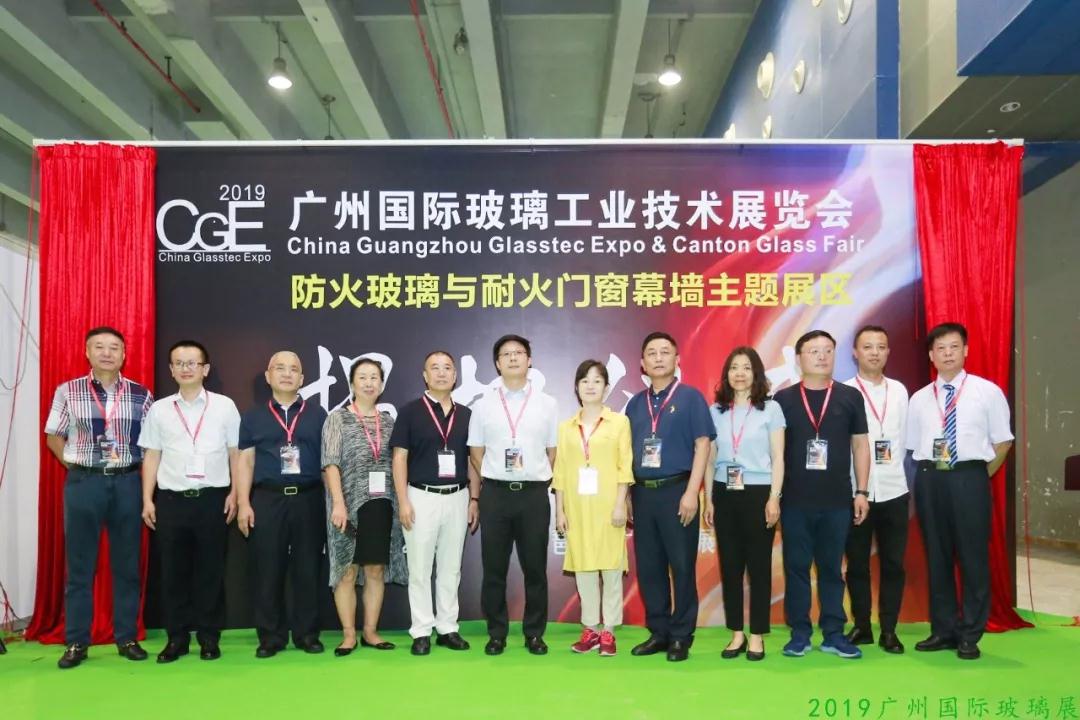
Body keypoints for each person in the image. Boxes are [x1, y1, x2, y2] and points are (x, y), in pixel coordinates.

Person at [45, 326, 154, 669]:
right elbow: (54, 436)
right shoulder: (68, 391)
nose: (107, 353)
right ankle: (77, 641)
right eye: (100, 347)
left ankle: (126, 637)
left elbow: (152, 443)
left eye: (114, 348)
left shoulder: (140, 395)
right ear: (87, 352)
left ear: (124, 354)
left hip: (127, 482)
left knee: (127, 565)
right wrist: (78, 466)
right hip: (84, 483)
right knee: (80, 567)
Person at [907, 322, 1013, 661]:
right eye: (940, 348)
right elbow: (914, 446)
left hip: (970, 477)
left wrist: (978, 476)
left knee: (972, 558)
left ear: (965, 350)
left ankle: (970, 633)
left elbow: (1003, 442)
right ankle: (943, 630)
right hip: (930, 479)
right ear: (931, 355)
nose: (947, 353)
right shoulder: (920, 398)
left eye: (954, 347)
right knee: (937, 557)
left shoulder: (987, 392)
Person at [139, 340, 240, 663]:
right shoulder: (159, 409)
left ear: (205, 369)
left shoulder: (224, 406)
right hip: (171, 501)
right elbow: (152, 455)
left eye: (192, 363)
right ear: (171, 370)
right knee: (173, 573)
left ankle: (209, 638)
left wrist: (236, 493)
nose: (186, 368)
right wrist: (147, 499)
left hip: (213, 499)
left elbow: (236, 453)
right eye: (179, 363)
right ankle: (176, 639)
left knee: (211, 572)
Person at [773, 330, 870, 659]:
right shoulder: (782, 400)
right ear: (799, 358)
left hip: (837, 501)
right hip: (795, 501)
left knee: (831, 569)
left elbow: (860, 445)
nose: (822, 356)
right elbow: (774, 453)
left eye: (828, 350)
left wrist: (862, 491)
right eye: (814, 351)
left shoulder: (850, 396)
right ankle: (799, 634)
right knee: (797, 569)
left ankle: (833, 634)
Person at [467, 334, 559, 656]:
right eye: (506, 354)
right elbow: (475, 452)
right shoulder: (483, 405)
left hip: (533, 496)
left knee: (535, 569)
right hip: (496, 495)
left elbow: (552, 451)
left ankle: (534, 634)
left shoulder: (547, 404)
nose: (513, 358)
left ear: (529, 360)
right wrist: (496, 474)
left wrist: (530, 474)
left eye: (519, 353)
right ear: (497, 363)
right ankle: (497, 634)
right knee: (494, 570)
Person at [625, 332, 714, 662]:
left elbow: (703, 445)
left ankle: (681, 635)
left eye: (665, 352)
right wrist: (628, 494)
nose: (658, 358)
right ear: (642, 363)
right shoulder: (635, 404)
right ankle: (659, 632)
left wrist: (692, 492)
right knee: (650, 567)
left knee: (682, 566)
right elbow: (626, 453)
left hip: (679, 491)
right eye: (652, 353)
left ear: (677, 360)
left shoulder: (691, 398)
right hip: (643, 494)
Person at [236, 351, 328, 658]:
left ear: (302, 378)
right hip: (267, 498)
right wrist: (243, 502)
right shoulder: (252, 416)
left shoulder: (318, 415)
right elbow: (245, 462)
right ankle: (270, 637)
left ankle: (307, 634)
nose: (286, 374)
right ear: (268, 376)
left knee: (308, 568)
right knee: (267, 569)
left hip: (308, 498)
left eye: (293, 370)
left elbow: (328, 463)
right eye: (280, 368)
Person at [390, 351, 479, 656]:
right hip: (420, 496)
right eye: (435, 368)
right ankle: (421, 630)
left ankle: (447, 627)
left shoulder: (466, 415)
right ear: (425, 376)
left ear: (455, 376)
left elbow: (473, 460)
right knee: (419, 568)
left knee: (451, 568)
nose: (441, 373)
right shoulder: (410, 412)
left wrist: (474, 498)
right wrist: (403, 501)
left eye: (447, 368)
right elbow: (399, 458)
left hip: (458, 496)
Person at [703, 346, 785, 662]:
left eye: (746, 368)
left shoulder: (771, 410)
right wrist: (708, 499)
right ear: (727, 374)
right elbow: (710, 460)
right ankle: (736, 633)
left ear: (756, 373)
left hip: (759, 493)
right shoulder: (716, 411)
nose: (740, 373)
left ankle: (757, 635)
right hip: (724, 493)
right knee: (731, 566)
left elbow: (778, 457)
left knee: (759, 567)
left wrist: (774, 497)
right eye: (734, 367)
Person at [323, 358, 407, 656]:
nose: (369, 382)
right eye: (363, 377)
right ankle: (348, 635)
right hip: (347, 505)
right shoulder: (338, 418)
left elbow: (398, 463)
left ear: (382, 385)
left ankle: (370, 632)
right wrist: (338, 503)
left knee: (375, 569)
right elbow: (330, 464)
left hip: (381, 505)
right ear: (352, 383)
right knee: (347, 570)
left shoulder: (389, 421)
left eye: (374, 377)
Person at [552, 360, 633, 656]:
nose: (590, 386)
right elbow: (561, 471)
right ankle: (590, 629)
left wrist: (620, 504)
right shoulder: (566, 427)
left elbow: (625, 465)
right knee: (584, 569)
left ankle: (609, 630)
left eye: (597, 381)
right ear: (576, 387)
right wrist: (560, 510)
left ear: (607, 388)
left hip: (609, 506)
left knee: (611, 568)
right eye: (585, 380)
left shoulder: (619, 423)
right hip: (577, 507)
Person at [842, 326, 910, 654]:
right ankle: (862, 626)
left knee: (893, 563)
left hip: (895, 489)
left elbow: (905, 438)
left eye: (881, 347)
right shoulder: (844, 391)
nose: (874, 353)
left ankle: (889, 629)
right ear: (855, 353)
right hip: (857, 492)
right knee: (857, 563)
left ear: (888, 352)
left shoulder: (900, 391)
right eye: (867, 347)